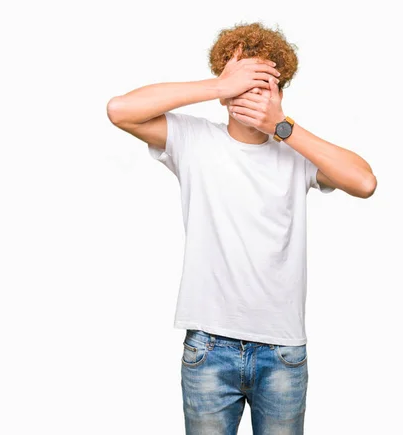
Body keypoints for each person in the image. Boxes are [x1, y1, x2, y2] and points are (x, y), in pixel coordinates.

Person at [107, 21, 376, 435]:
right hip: (209, 348)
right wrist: (218, 86)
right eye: (243, 84)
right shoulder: (194, 140)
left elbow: (364, 182)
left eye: (265, 84)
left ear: (280, 93)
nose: (254, 94)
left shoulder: (296, 152)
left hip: (283, 350)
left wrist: (282, 126)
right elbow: (119, 110)